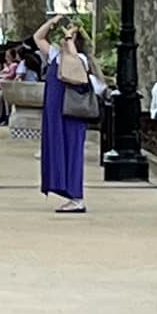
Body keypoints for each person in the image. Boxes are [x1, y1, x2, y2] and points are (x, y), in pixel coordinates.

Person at [37, 15, 99, 213]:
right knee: (57, 149)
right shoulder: (55, 55)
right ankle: (66, 190)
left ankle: (77, 197)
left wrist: (71, 37)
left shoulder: (79, 59)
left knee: (72, 152)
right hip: (56, 112)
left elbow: (75, 64)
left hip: (71, 112)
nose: (63, 41)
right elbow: (38, 38)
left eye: (68, 39)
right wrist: (52, 22)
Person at [0, 43, 42, 126]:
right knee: (0, 94)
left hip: (25, 88)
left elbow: (18, 77)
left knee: (3, 95)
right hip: (31, 87)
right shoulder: (31, 62)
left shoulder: (23, 64)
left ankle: (4, 117)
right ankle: (0, 116)